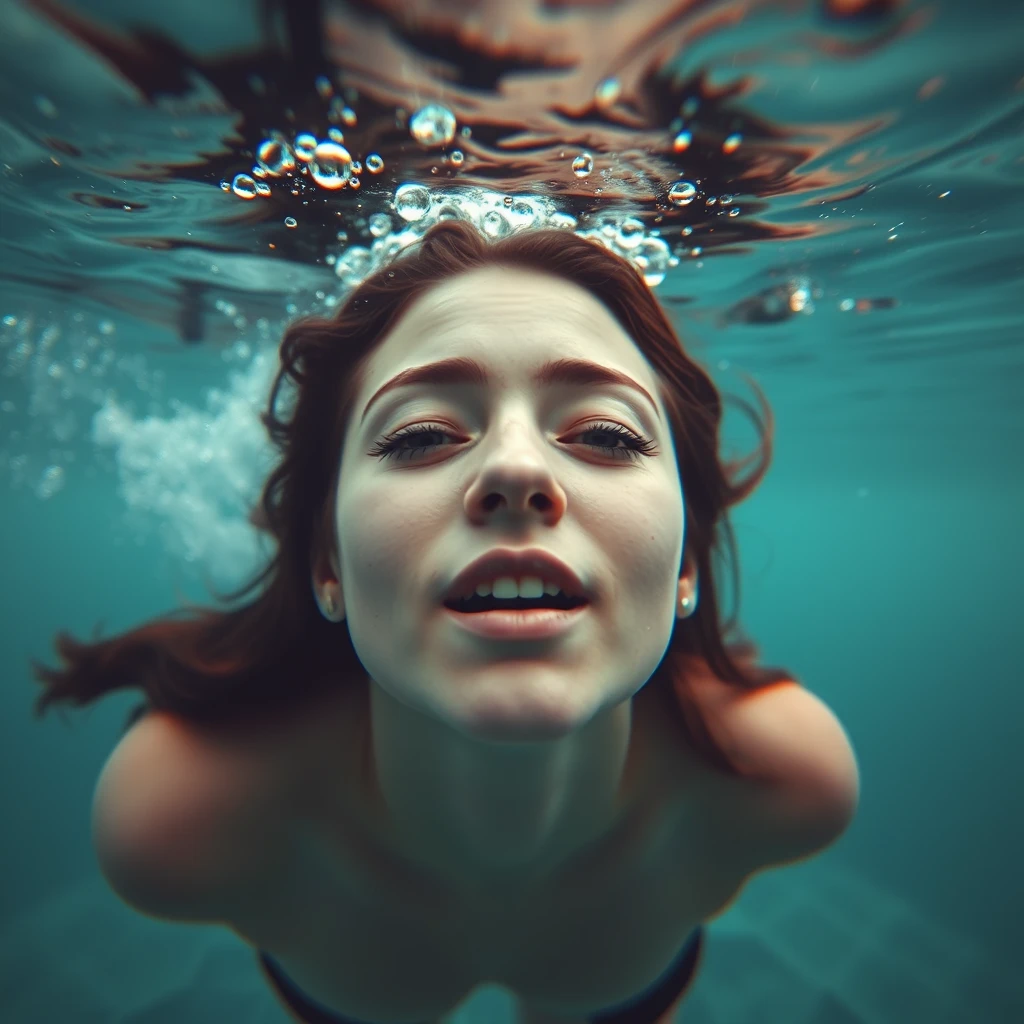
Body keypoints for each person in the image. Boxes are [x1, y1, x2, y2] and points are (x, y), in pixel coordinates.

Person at [32, 220, 859, 1024]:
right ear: (328, 561)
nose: (514, 468)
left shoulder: (785, 781)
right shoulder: (180, 823)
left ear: (685, 564)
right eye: (422, 434)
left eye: (606, 433)